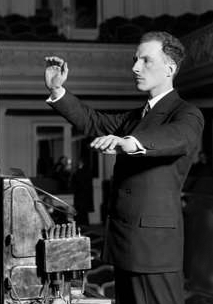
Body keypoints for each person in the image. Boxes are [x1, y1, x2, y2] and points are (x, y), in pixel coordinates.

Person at [44, 31, 204, 304]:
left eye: (145, 60)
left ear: (170, 68)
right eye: (134, 60)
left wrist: (128, 143)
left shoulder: (186, 113)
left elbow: (177, 138)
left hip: (155, 250)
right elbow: (92, 121)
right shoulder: (135, 117)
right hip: (124, 242)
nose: (135, 67)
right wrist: (57, 90)